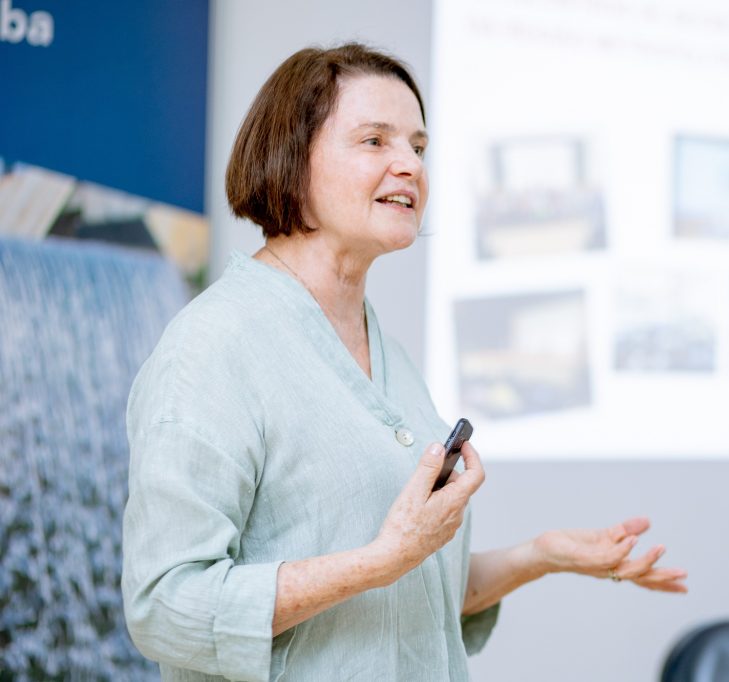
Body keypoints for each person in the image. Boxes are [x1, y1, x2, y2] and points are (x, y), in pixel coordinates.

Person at [121, 43, 687, 682]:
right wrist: (379, 561)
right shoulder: (211, 350)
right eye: (375, 141)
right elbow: (165, 608)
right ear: (291, 158)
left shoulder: (385, 351)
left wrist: (540, 555)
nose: (410, 166)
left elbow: (402, 598)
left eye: (418, 147)